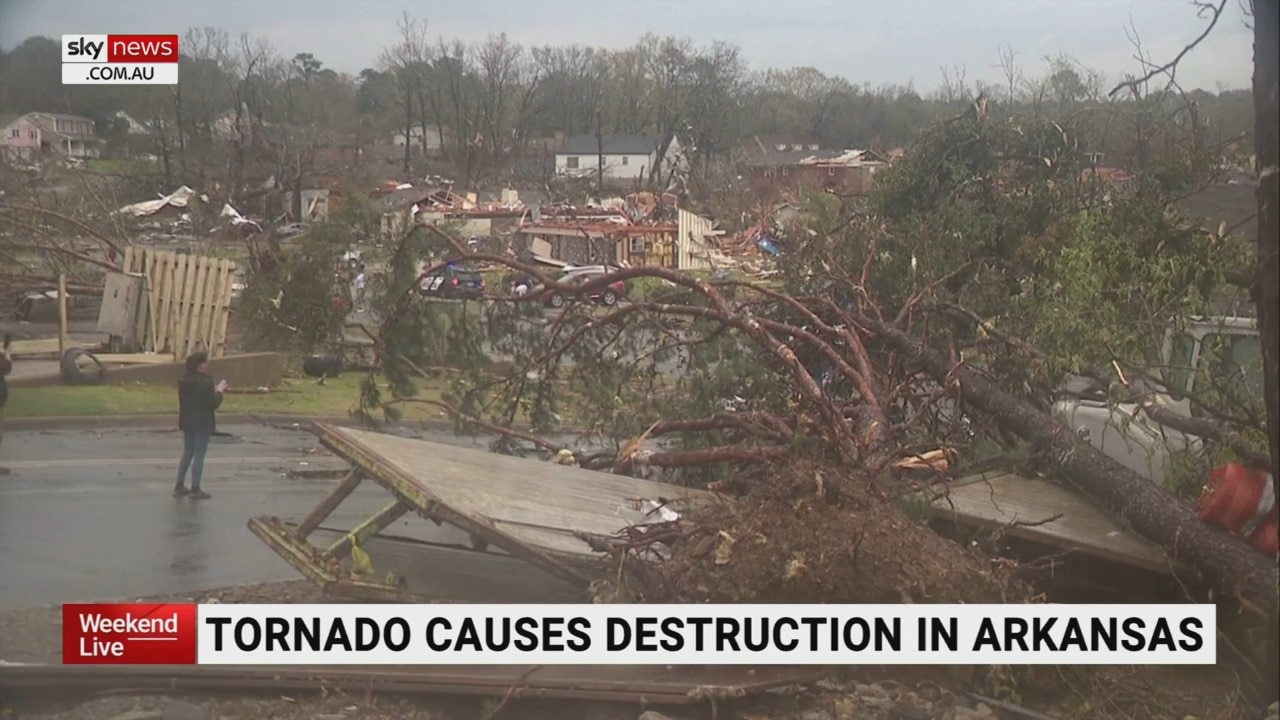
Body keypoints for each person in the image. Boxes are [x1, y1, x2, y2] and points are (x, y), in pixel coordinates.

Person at [174, 351, 226, 499]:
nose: (206, 365)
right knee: (199, 455)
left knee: (187, 452)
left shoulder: (183, 381)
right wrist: (220, 392)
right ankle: (195, 488)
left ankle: (179, 484)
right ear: (199, 365)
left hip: (187, 421)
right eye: (205, 363)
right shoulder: (206, 382)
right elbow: (212, 404)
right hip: (202, 422)